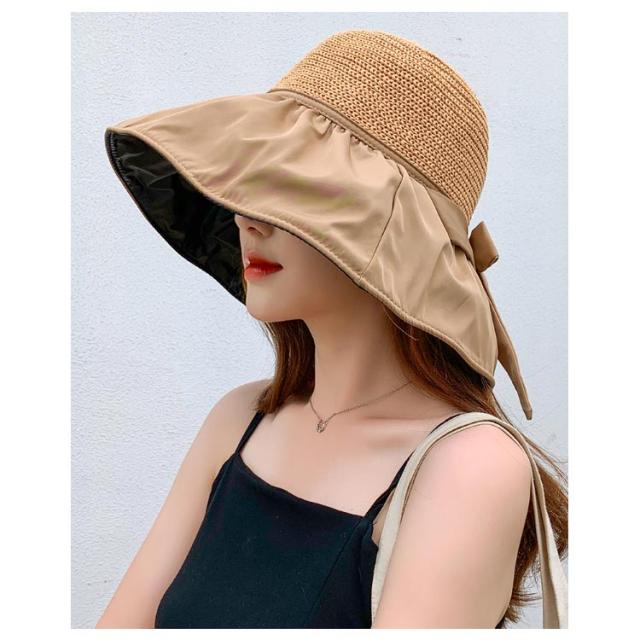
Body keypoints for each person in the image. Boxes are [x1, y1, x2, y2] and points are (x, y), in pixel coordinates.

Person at [96, 29, 568, 628]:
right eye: (253, 181)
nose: (248, 218)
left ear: (392, 235)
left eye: (295, 191)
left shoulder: (469, 468)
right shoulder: (238, 421)